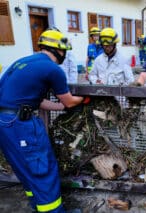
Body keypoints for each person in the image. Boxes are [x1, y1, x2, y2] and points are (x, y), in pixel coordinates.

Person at [0, 28, 86, 212]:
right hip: (20, 125)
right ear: (59, 50)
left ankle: (38, 207)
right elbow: (70, 101)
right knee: (42, 169)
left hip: (5, 123)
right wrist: (84, 98)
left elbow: (36, 101)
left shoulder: (24, 62)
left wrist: (61, 106)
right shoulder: (52, 69)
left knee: (26, 169)